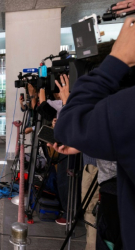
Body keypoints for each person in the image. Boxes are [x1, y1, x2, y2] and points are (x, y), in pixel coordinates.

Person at [54, 17, 135, 250]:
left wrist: (114, 63)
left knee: (96, 229)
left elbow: (69, 124)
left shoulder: (125, 108)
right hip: (110, 182)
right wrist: (83, 141)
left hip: (111, 196)